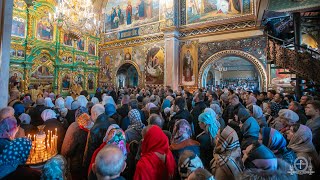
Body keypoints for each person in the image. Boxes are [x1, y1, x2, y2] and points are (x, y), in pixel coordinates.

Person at [83, 104, 116, 171]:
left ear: (95, 114)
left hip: (99, 160)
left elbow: (90, 151)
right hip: (112, 158)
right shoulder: (112, 121)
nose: (90, 117)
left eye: (91, 114)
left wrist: (85, 166)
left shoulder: (94, 129)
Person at [61, 112, 93, 180]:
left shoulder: (79, 133)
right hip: (84, 162)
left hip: (76, 162)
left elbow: (70, 151)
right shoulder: (89, 131)